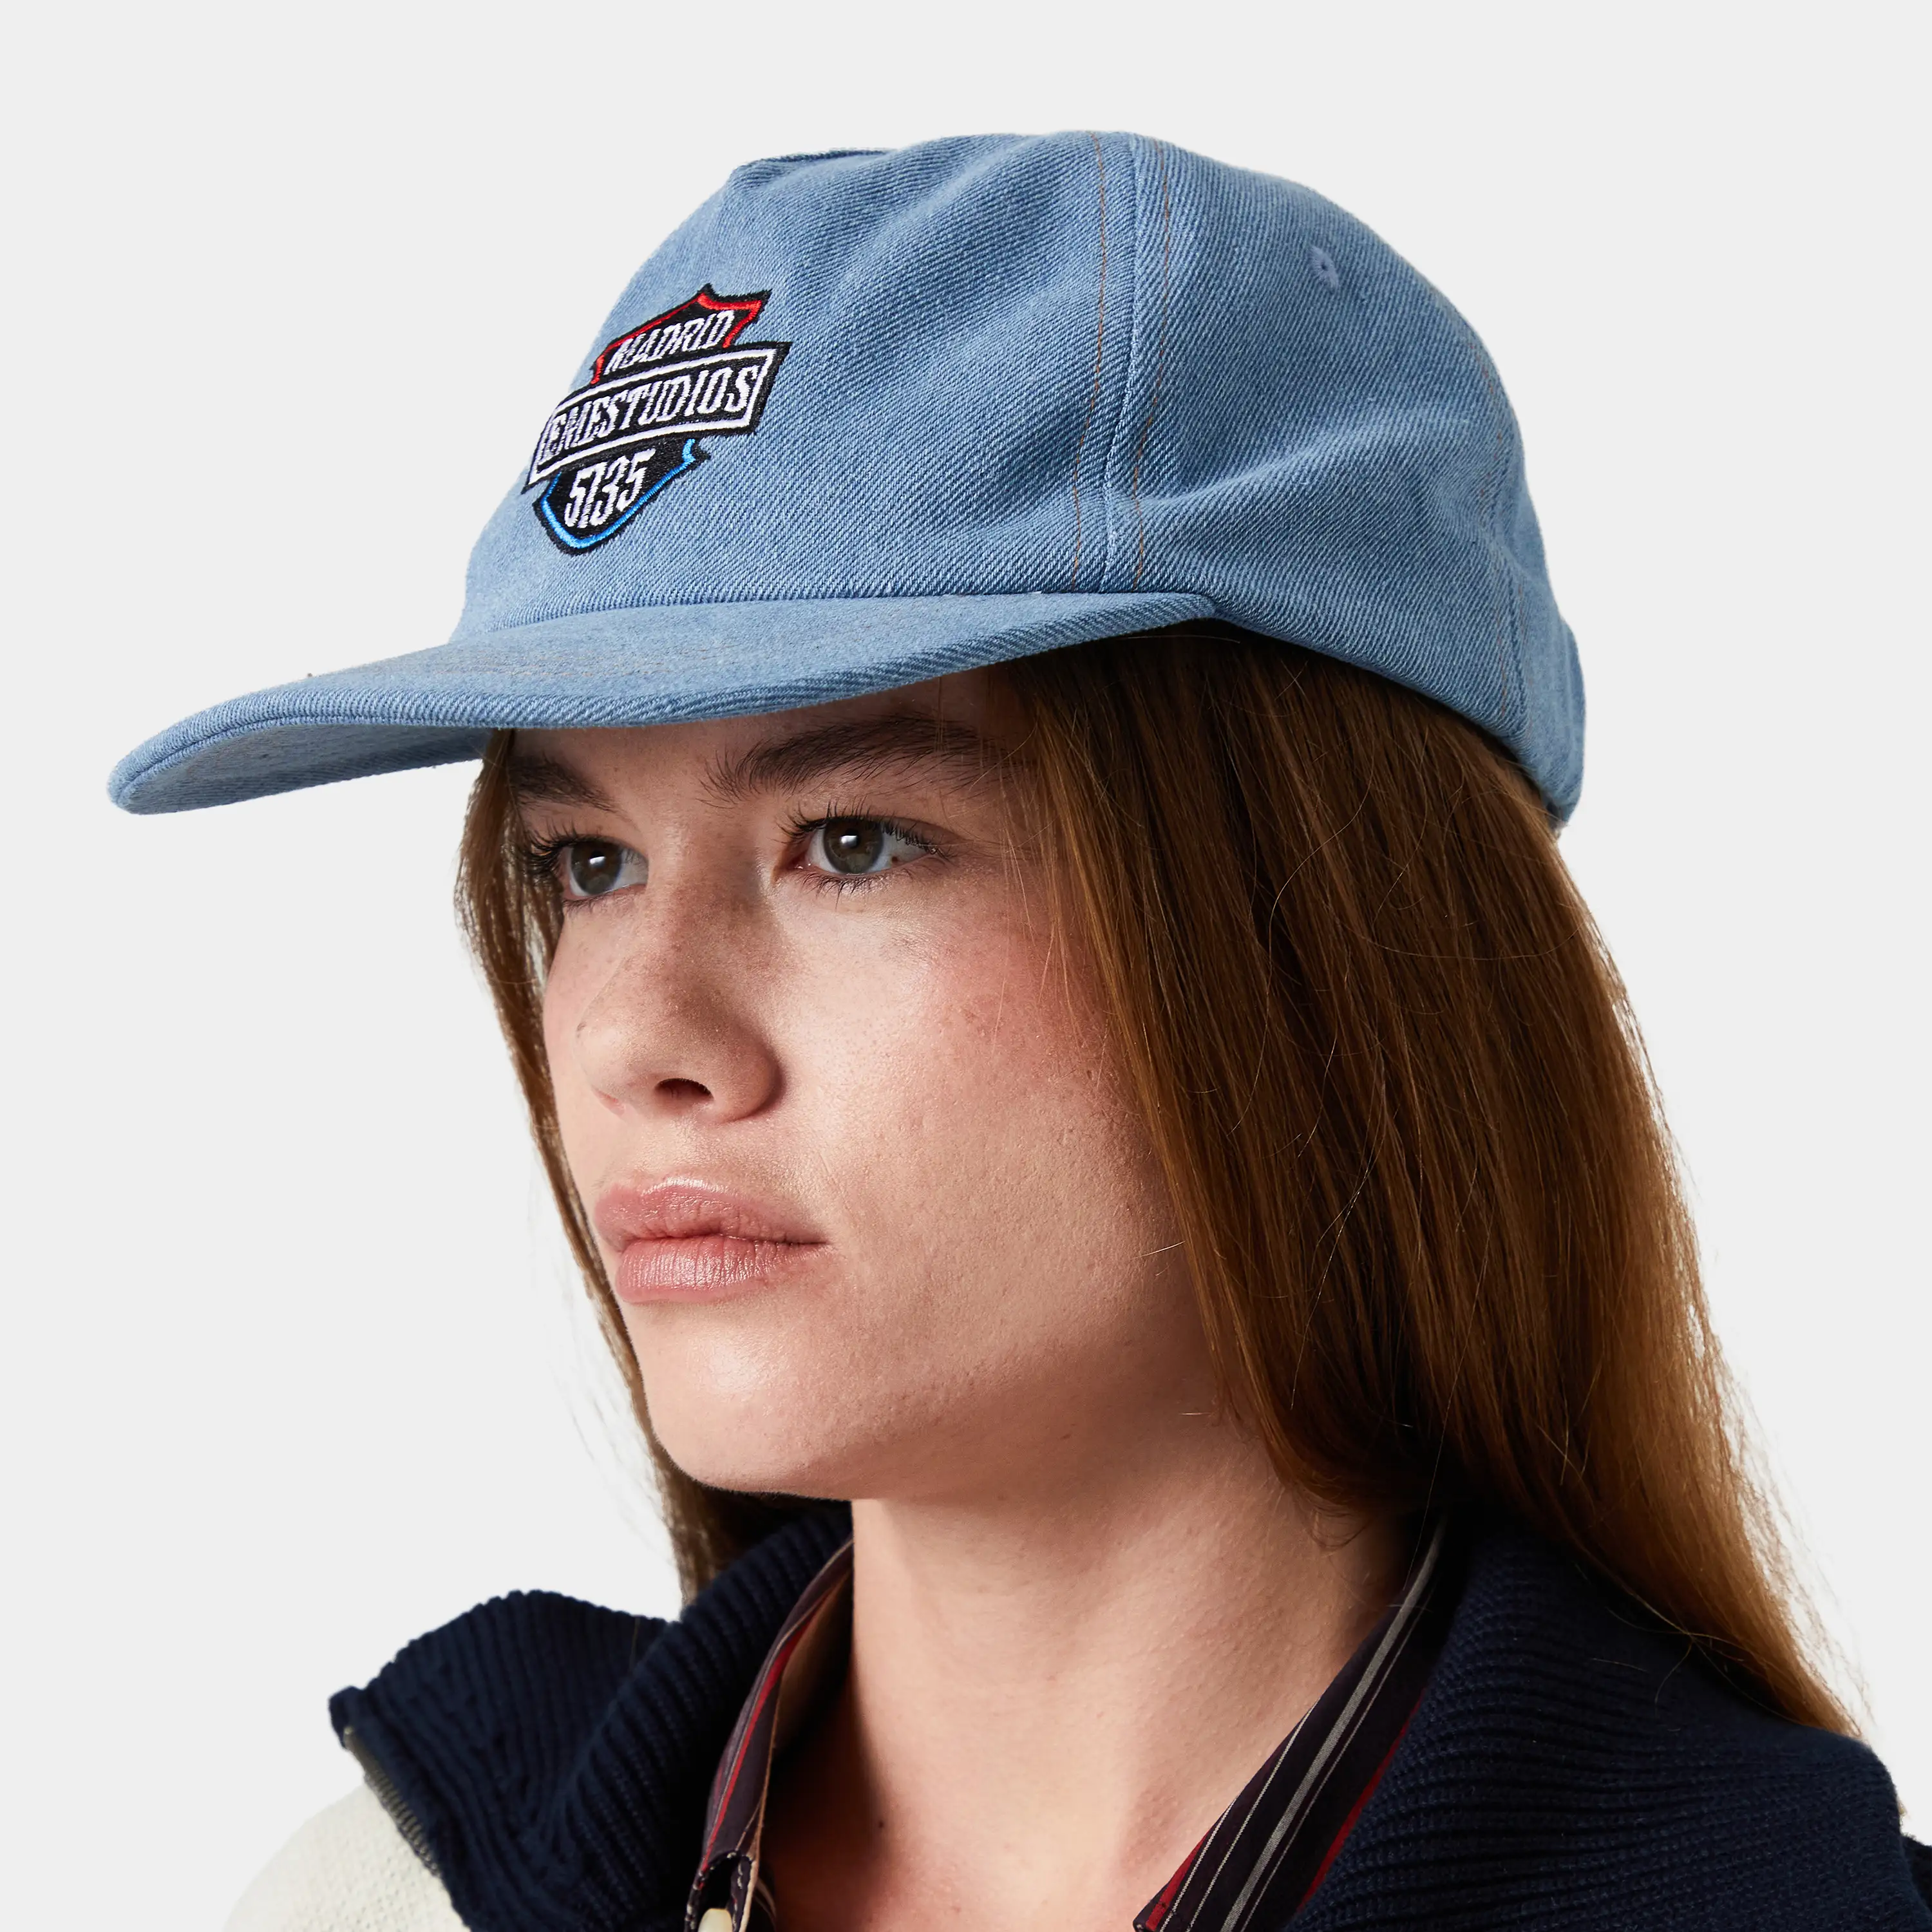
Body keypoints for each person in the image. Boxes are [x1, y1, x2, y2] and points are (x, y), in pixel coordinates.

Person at [112, 135, 1930, 1932]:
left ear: (1330, 939)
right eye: (588, 861)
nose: (634, 1040)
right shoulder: (376, 1897)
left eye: (851, 842)